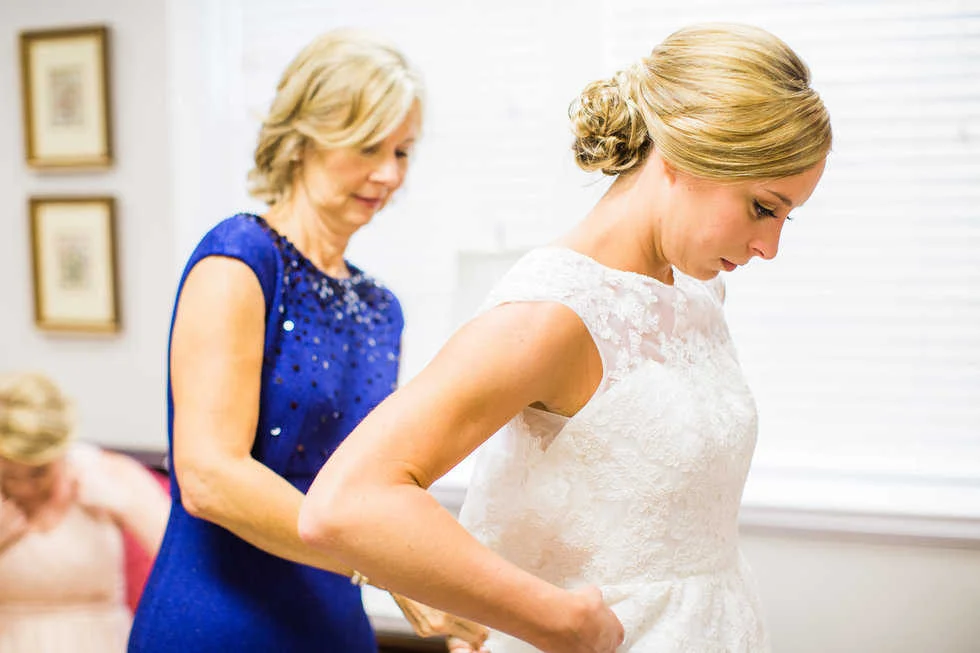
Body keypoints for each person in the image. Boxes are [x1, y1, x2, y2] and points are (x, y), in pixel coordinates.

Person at [297, 22, 832, 653]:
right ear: (684, 155)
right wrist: (554, 618)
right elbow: (346, 502)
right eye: (762, 208)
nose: (770, 247)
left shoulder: (695, 294)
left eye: (786, 218)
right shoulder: (555, 312)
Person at [128, 28, 486, 653]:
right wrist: (380, 566)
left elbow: (377, 484)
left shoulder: (382, 308)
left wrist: (456, 593)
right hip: (219, 620)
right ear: (303, 139)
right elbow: (209, 476)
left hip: (336, 625)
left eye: (403, 152)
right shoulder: (240, 260)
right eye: (368, 145)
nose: (387, 174)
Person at [0, 372, 170, 652]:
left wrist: (126, 508)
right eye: (8, 475)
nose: (24, 487)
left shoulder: (108, 473)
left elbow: (180, 564)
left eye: (38, 472)